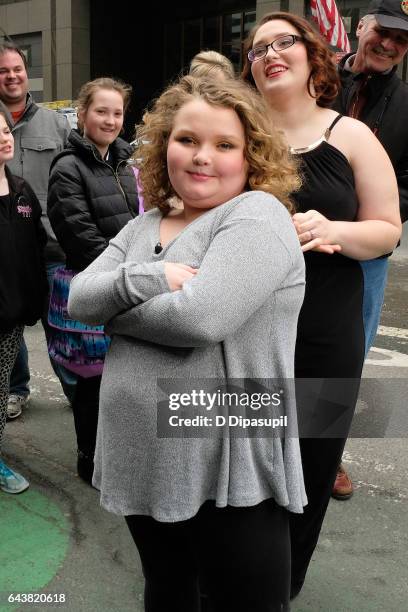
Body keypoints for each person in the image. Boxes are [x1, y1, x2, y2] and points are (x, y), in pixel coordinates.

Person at [68, 75, 306, 612]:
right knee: (167, 588)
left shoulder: (255, 214)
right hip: (142, 451)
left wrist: (115, 318)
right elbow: (80, 297)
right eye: (187, 139)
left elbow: (201, 317)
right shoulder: (146, 224)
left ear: (253, 155)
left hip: (230, 447)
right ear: (162, 145)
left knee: (244, 600)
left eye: (225, 145)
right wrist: (152, 278)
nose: (203, 157)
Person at [242, 11, 401, 599]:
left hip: (326, 324)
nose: (270, 53)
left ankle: (281, 585)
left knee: (310, 464)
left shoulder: (351, 135)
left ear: (313, 56)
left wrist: (329, 227)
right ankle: (234, 576)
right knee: (244, 459)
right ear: (250, 69)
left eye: (284, 42)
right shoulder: (239, 135)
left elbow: (386, 231)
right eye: (258, 49)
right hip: (247, 323)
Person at [333, 0, 408, 499]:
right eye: (382, 31)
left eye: (401, 40)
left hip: (365, 253)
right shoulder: (316, 78)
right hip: (295, 236)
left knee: (346, 354)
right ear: (360, 27)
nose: (389, 44)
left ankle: (326, 451)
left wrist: (380, 214)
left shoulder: (406, 103)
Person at [47, 77, 138, 485]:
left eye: (117, 112)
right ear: (82, 114)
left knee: (123, 378)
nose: (110, 120)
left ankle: (118, 452)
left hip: (125, 286)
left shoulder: (125, 161)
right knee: (92, 382)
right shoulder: (68, 167)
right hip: (94, 286)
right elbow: (79, 235)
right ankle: (91, 457)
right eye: (101, 111)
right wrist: (125, 278)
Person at [0, 41, 73, 417]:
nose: (11, 77)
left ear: (27, 73)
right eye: (3, 71)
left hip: (54, 244)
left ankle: (74, 388)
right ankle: (16, 388)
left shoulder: (55, 123)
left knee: (59, 324)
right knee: (10, 321)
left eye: (17, 69)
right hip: (9, 249)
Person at [0, 111, 48, 493]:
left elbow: (35, 249)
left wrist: (33, 301)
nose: (4, 137)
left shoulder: (22, 191)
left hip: (10, 319)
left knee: (1, 392)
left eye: (4, 129)